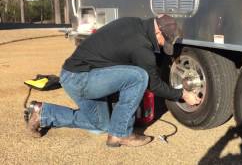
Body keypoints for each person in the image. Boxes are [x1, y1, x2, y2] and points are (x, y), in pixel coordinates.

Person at [25, 15, 201, 147]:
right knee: (140, 77)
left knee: (102, 125)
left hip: (74, 74)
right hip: (82, 79)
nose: (163, 45)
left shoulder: (133, 23)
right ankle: (121, 134)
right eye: (164, 41)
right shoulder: (142, 48)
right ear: (157, 32)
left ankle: (44, 113)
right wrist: (182, 94)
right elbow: (153, 85)